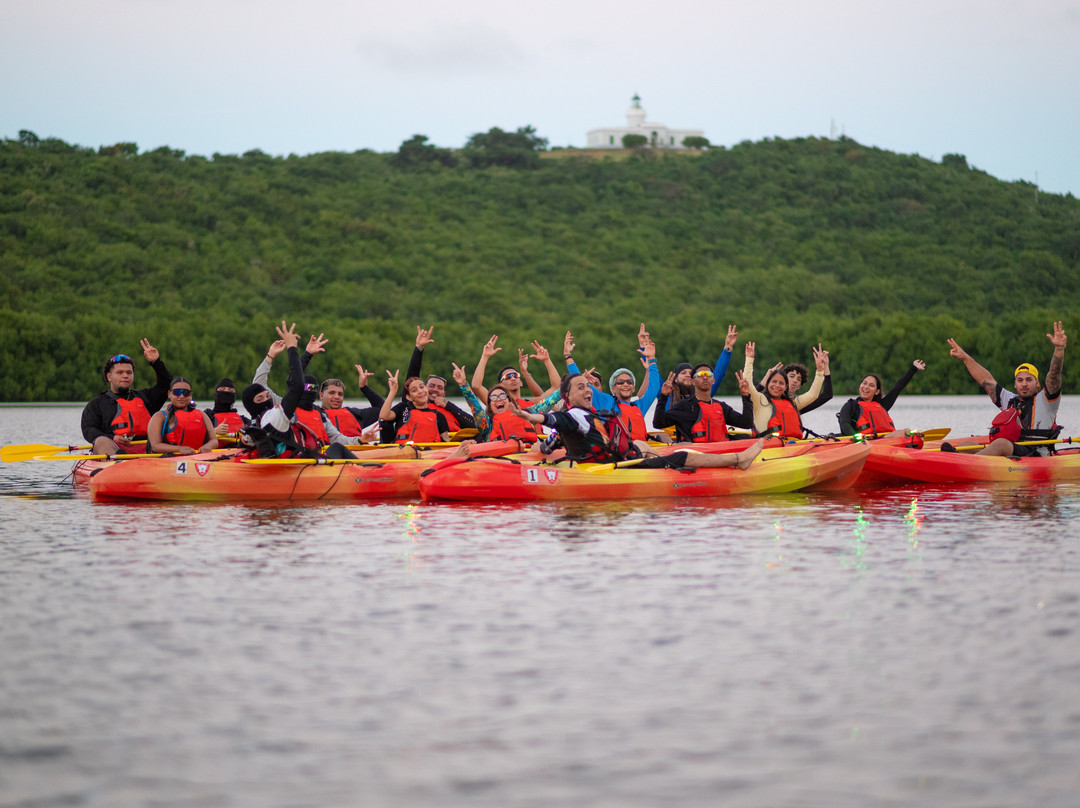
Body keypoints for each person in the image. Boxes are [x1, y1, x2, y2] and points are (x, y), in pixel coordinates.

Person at [508, 373, 764, 470]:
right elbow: (551, 418)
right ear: (568, 396)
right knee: (683, 454)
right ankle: (737, 460)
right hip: (612, 470)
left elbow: (551, 441)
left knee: (641, 444)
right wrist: (528, 416)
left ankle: (658, 460)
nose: (588, 390)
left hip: (620, 459)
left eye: (588, 386)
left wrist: (541, 452)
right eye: (581, 387)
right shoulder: (573, 415)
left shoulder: (586, 416)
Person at [239, 322, 358, 460]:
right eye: (261, 399)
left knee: (336, 447)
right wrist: (281, 352)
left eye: (313, 387)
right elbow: (293, 385)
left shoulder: (319, 414)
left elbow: (337, 438)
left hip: (305, 455)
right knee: (336, 449)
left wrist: (360, 440)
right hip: (298, 464)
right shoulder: (280, 409)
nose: (267, 399)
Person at [944, 323, 1066, 456]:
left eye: (1029, 380)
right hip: (1013, 451)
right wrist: (965, 358)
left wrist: (1059, 349)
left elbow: (1054, 374)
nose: (1024, 384)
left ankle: (965, 463)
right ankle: (961, 459)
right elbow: (986, 380)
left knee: (1000, 443)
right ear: (1015, 384)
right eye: (1020, 380)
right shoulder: (1010, 400)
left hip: (1036, 454)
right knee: (965, 445)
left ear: (1037, 383)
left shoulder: (1047, 401)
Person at [563, 324, 662, 442]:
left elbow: (654, 387)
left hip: (641, 452)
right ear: (613, 388)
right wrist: (568, 356)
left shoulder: (639, 406)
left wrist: (651, 359)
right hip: (620, 454)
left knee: (663, 437)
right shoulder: (604, 400)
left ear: (633, 388)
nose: (626, 384)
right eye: (620, 382)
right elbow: (578, 381)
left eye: (629, 381)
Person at [81, 339, 172, 455]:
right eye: (120, 372)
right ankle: (117, 463)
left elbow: (166, 385)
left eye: (129, 373)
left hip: (146, 449)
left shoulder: (146, 397)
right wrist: (112, 437)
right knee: (101, 441)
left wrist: (156, 362)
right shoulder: (97, 404)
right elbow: (89, 429)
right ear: (109, 376)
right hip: (113, 448)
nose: (125, 376)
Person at [452, 363, 561, 443]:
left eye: (502, 396)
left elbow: (551, 400)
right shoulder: (487, 426)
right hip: (503, 463)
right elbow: (474, 407)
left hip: (529, 458)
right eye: (493, 398)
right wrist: (463, 385)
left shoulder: (528, 413)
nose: (498, 399)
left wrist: (569, 385)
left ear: (510, 401)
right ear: (490, 406)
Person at [743, 343, 830, 438]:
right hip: (765, 446)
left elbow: (812, 395)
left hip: (789, 445)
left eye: (781, 383)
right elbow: (747, 384)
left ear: (785, 387)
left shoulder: (792, 402)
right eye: (774, 382)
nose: (777, 385)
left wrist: (820, 371)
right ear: (767, 384)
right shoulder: (759, 399)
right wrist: (749, 359)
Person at [654, 364, 756, 443]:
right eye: (700, 374)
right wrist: (663, 396)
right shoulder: (684, 406)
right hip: (696, 456)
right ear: (693, 381)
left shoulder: (721, 407)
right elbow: (658, 423)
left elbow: (747, 423)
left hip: (720, 452)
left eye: (708, 374)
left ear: (713, 380)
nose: (705, 377)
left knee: (747, 438)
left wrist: (745, 396)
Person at [836, 361, 925, 436]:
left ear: (877, 391)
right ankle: (908, 437)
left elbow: (897, 388)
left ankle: (911, 438)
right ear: (860, 385)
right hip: (864, 443)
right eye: (864, 383)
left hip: (885, 441)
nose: (866, 387)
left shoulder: (882, 405)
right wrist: (856, 438)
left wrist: (913, 369)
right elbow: (844, 424)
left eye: (871, 385)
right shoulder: (851, 405)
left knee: (907, 431)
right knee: (904, 432)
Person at [472, 335, 560, 407]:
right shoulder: (498, 405)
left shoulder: (531, 404)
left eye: (516, 375)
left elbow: (556, 387)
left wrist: (547, 360)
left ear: (521, 382)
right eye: (508, 377)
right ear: (500, 385)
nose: (513, 378)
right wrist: (485, 356)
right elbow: (476, 386)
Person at [148, 378, 219, 455]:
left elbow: (214, 440)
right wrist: (180, 449)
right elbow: (155, 446)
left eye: (186, 393)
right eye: (177, 392)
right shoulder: (159, 417)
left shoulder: (202, 415)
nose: (181, 396)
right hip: (168, 460)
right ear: (169, 394)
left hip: (197, 460)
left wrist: (207, 446)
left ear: (191, 395)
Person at [379, 371, 452, 444]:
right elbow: (384, 416)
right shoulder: (403, 408)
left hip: (429, 453)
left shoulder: (439, 416)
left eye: (422, 387)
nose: (420, 391)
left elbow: (446, 441)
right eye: (414, 390)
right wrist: (393, 391)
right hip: (404, 451)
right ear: (409, 397)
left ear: (426, 389)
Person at [317, 365, 385, 439]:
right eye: (332, 393)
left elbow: (382, 408)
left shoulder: (354, 414)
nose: (337, 397)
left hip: (354, 449)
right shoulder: (315, 414)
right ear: (321, 395)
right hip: (328, 449)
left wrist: (364, 387)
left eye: (340, 394)